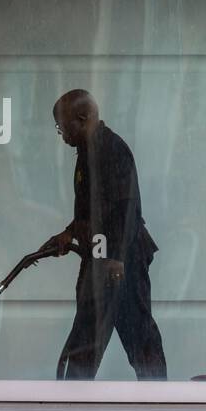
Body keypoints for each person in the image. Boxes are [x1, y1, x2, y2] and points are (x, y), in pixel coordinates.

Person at [46, 89, 168, 379]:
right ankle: (72, 400)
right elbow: (94, 210)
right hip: (103, 257)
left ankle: (160, 401)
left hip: (122, 261)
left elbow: (127, 209)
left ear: (83, 118)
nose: (62, 135)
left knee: (136, 333)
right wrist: (69, 233)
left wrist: (116, 259)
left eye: (63, 127)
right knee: (90, 332)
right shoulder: (87, 152)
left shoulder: (112, 149)